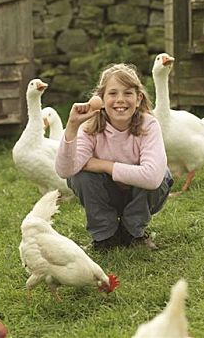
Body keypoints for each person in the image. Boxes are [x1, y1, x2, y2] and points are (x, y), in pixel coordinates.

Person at [55, 63, 173, 250]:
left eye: (128, 93)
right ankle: (105, 236)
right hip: (106, 195)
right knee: (80, 175)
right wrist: (72, 127)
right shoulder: (89, 127)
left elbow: (152, 178)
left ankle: (133, 232)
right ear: (100, 98)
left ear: (138, 98)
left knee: (161, 174)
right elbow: (65, 171)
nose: (120, 100)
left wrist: (103, 165)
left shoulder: (148, 125)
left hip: (141, 197)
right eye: (112, 93)